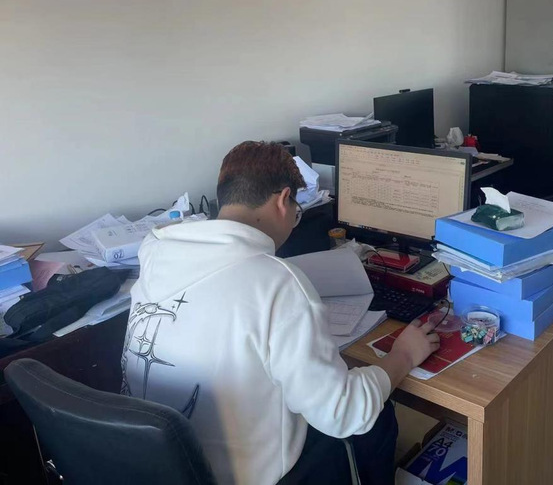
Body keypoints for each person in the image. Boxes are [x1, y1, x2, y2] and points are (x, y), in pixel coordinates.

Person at [121, 141, 439, 484]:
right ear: (283, 199)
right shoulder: (276, 282)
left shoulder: (157, 250)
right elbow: (344, 414)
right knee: (376, 418)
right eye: (297, 212)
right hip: (244, 475)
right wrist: (404, 355)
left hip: (164, 465)